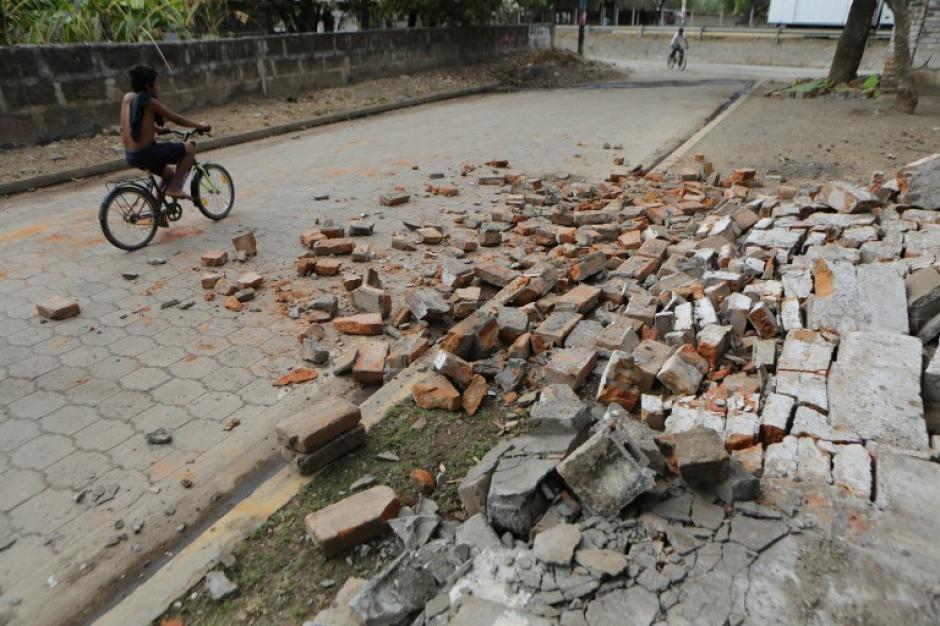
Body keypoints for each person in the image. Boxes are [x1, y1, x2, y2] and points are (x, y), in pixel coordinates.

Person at [121, 64, 210, 201]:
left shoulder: (128, 98)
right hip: (146, 152)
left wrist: (157, 129)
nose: (159, 88)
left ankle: (157, 212)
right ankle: (174, 188)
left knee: (168, 174)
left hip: (131, 155)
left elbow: (132, 121)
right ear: (147, 86)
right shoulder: (150, 102)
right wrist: (200, 125)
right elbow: (176, 118)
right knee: (190, 148)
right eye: (157, 84)